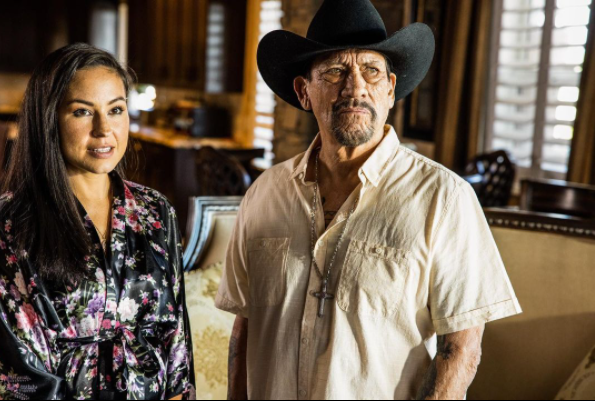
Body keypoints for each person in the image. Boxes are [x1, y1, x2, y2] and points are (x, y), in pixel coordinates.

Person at [216, 0, 522, 399]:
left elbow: (461, 349)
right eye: (335, 71)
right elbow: (245, 326)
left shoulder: (445, 198)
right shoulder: (263, 194)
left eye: (371, 70)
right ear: (304, 92)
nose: (355, 87)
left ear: (390, 90)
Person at [0, 43, 195, 400]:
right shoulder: (11, 222)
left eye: (116, 109)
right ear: (49, 119)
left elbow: (176, 339)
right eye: (82, 112)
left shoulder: (155, 211)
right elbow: (19, 371)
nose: (104, 129)